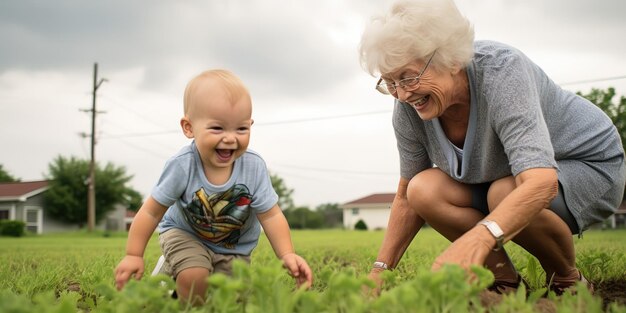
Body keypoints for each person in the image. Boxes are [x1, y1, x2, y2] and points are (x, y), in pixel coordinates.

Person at [358, 0, 626, 295]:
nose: (402, 93)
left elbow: (540, 183)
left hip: (588, 165)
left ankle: (566, 280)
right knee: (422, 189)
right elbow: (406, 197)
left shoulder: (501, 71)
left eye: (408, 76)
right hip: (506, 178)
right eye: (390, 82)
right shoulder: (409, 106)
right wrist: (379, 271)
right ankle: (504, 282)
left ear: (451, 59)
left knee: (504, 193)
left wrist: (480, 238)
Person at [114, 69, 313, 305]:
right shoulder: (182, 165)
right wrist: (133, 254)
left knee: (229, 299)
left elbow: (270, 215)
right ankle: (182, 291)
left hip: (233, 248)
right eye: (217, 128)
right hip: (185, 234)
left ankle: (179, 276)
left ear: (251, 125)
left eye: (241, 129)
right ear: (189, 127)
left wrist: (287, 253)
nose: (230, 138)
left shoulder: (253, 167)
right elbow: (151, 211)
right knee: (194, 277)